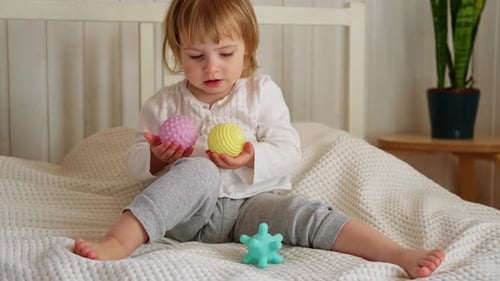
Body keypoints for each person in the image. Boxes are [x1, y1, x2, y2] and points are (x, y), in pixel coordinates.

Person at [73, 0, 445, 278]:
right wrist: (156, 157)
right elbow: (136, 162)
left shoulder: (261, 93)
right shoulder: (164, 104)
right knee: (199, 169)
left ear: (247, 47)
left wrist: (250, 158)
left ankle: (394, 252)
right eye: (196, 55)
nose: (212, 66)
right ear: (177, 52)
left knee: (302, 211)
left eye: (225, 53)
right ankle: (120, 241)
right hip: (188, 217)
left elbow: (288, 150)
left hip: (253, 207)